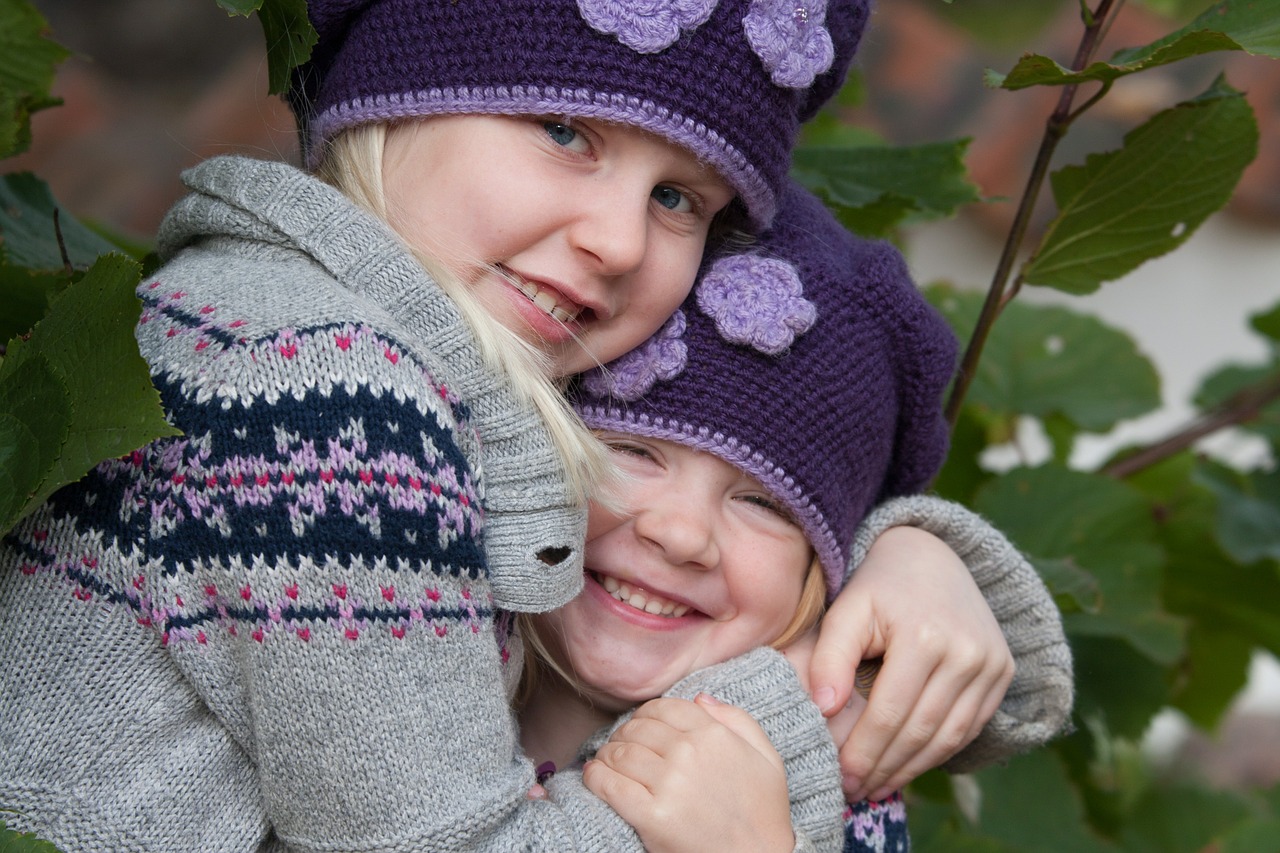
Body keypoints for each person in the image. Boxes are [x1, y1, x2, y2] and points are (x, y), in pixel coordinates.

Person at [0, 2, 1068, 850]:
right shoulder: (328, 396)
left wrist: (913, 550)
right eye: (565, 132)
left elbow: (771, 417)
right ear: (401, 94)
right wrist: (782, 714)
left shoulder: (283, 320)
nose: (614, 239)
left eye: (679, 201)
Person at [514, 181, 1069, 851]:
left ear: (822, 568)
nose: (681, 533)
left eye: (762, 502)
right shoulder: (404, 620)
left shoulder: (823, 785)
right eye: (634, 452)